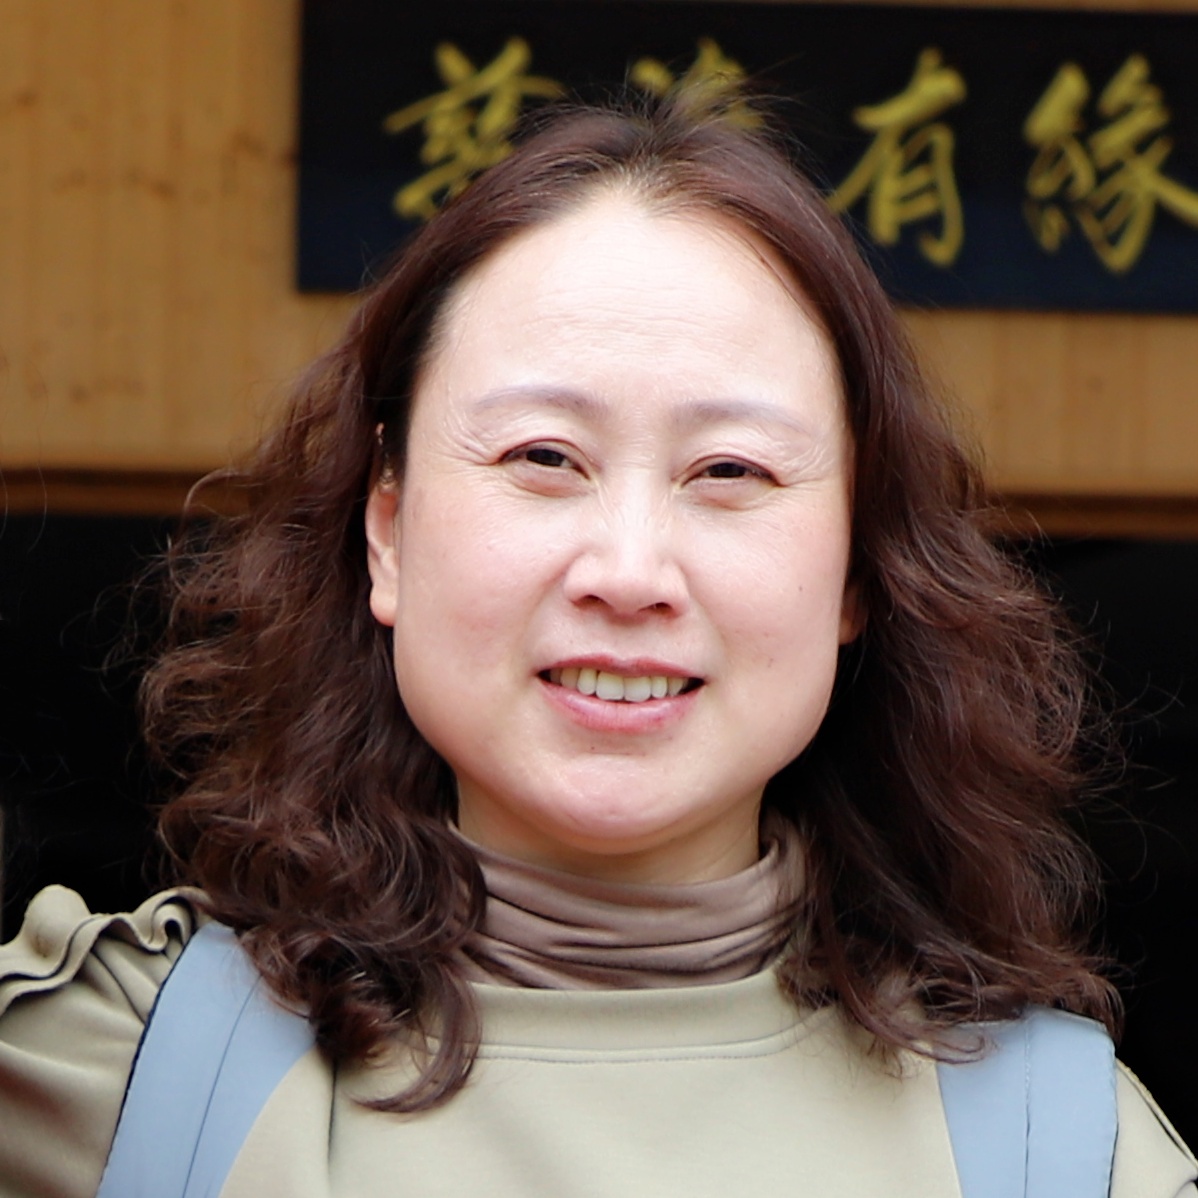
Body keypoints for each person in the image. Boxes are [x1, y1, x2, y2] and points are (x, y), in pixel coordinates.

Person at [1, 94, 1194, 1198]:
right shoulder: (114, 1074)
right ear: (388, 531)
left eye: (729, 471)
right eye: (542, 457)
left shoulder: (1057, 1152)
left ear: (856, 570)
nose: (627, 570)